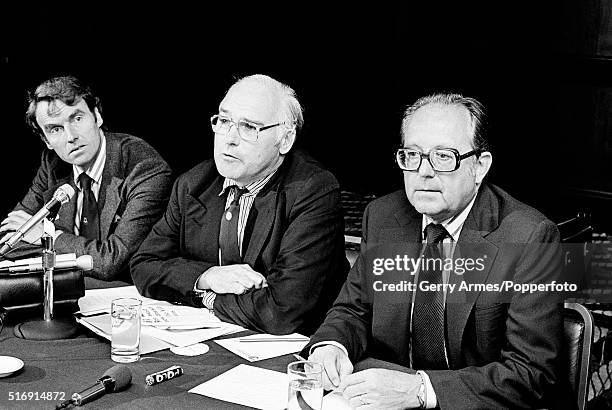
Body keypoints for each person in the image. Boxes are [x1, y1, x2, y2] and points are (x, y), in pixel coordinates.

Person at [303, 93, 569, 409]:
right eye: (412, 155)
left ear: (480, 166)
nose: (424, 172)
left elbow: (532, 373)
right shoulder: (384, 215)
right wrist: (331, 347)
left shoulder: (530, 237)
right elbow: (354, 309)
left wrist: (421, 390)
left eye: (443, 157)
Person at [130, 74, 349, 335]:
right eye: (224, 121)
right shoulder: (192, 184)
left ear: (285, 140)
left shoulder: (313, 190)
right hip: (213, 339)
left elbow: (280, 312)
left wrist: (205, 297)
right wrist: (207, 277)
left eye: (249, 127)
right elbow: (143, 265)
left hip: (293, 350)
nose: (229, 138)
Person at [0, 76, 173, 283]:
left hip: (126, 297)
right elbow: (9, 242)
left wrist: (48, 238)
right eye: (55, 129)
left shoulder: (144, 167)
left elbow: (112, 261)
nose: (71, 136)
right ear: (46, 140)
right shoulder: (53, 164)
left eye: (77, 119)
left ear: (97, 116)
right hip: (69, 288)